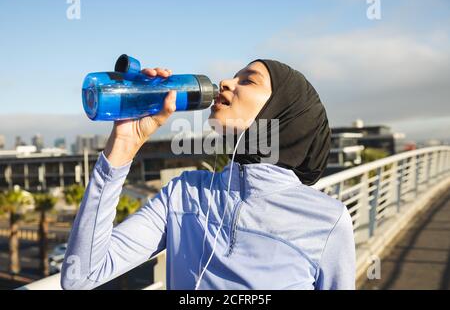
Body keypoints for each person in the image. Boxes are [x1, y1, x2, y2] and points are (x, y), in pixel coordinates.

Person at [60, 59, 356, 290]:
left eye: (249, 80)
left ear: (285, 112)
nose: (226, 82)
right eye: (233, 76)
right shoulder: (183, 194)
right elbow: (81, 275)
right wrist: (123, 145)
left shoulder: (327, 220)